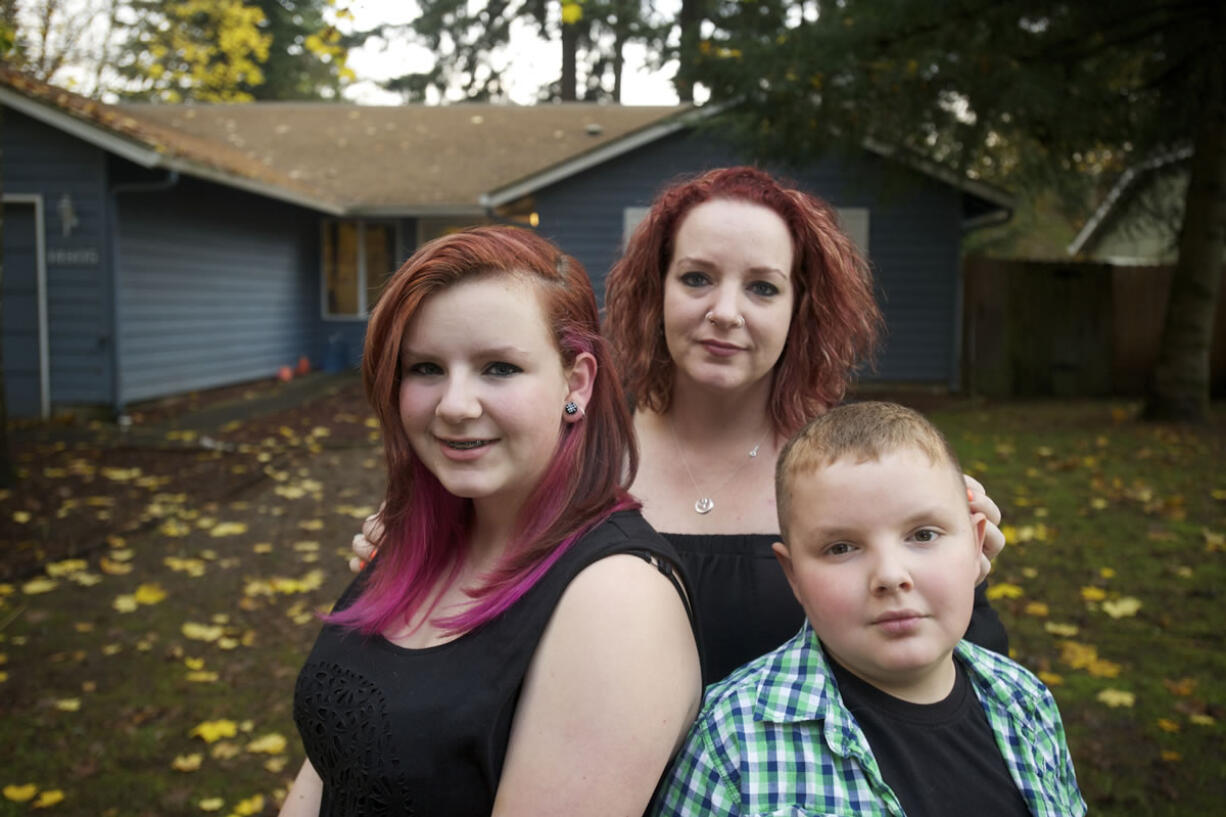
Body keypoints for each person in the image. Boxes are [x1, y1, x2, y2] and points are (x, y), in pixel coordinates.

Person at [353, 166, 1008, 686]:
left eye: (762, 287)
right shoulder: (569, 457)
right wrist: (413, 547)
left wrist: (949, 566)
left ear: (800, 309)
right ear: (654, 287)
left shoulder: (854, 472)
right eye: (697, 277)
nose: (725, 311)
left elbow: (955, 675)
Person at [280, 227, 701, 817]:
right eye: (425, 368)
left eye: (498, 368)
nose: (454, 405)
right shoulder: (411, 545)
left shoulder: (616, 602)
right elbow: (329, 765)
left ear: (574, 384)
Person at [652, 402, 1085, 817]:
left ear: (976, 545)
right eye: (841, 547)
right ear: (794, 576)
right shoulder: (730, 742)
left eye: (923, 535)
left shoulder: (1028, 705)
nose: (890, 575)